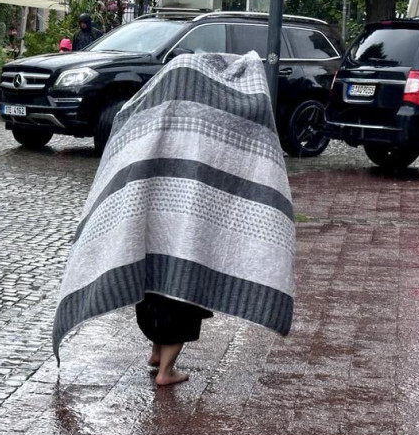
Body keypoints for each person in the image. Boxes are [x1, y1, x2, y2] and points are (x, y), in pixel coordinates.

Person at [52, 52, 296, 386]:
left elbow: (126, 125)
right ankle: (166, 371)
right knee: (182, 303)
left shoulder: (156, 116)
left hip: (155, 236)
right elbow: (252, 122)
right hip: (188, 239)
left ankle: (155, 353)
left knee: (152, 294)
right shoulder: (213, 121)